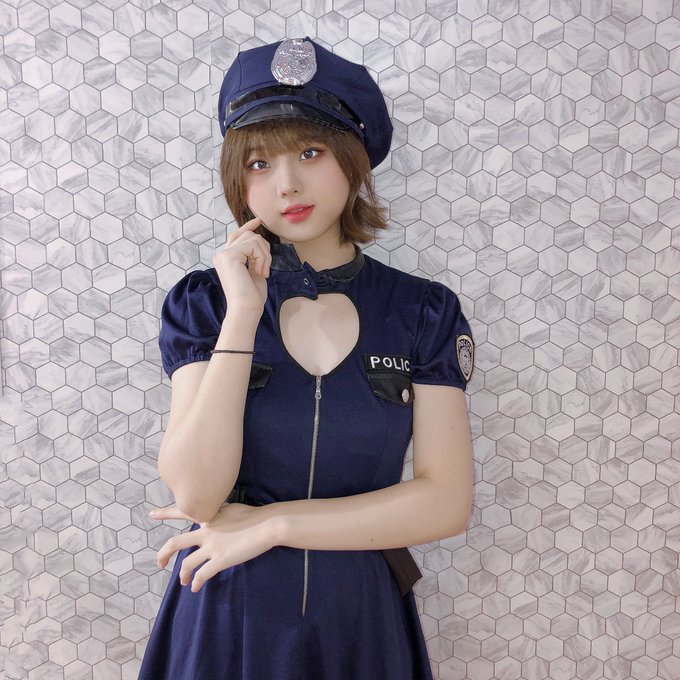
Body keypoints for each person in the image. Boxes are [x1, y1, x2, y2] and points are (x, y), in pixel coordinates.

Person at [138, 37, 474, 680]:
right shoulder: (204, 304)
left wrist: (271, 524)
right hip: (225, 619)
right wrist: (243, 311)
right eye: (259, 163)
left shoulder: (424, 311)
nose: (286, 184)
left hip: (360, 623)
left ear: (353, 161)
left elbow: (445, 502)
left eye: (310, 153)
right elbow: (197, 493)